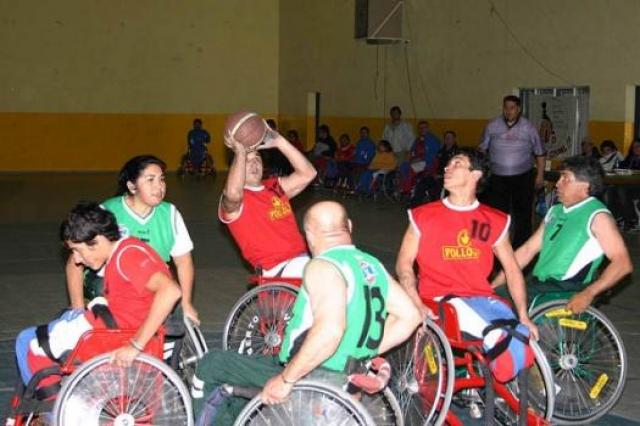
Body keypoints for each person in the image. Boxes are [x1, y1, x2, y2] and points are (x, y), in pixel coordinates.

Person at [192, 201, 422, 424]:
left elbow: (330, 330)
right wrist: (359, 353)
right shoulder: (371, 265)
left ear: (309, 235)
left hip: (315, 374)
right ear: (349, 226)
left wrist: (286, 379)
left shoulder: (324, 266)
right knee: (249, 374)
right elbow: (410, 316)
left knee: (212, 364)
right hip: (345, 371)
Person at [396, 148, 538, 383]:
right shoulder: (422, 215)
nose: (447, 169)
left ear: (476, 175)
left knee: (523, 332)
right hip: (442, 300)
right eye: (447, 165)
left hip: (483, 299)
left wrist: (524, 315)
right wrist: (416, 302)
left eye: (457, 164)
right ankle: (507, 376)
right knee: (501, 335)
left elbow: (512, 270)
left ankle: (533, 398)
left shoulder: (494, 219)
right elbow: (403, 265)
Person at [15, 203, 181, 387]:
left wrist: (136, 345)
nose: (76, 259)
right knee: (29, 337)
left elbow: (171, 291)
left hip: (116, 336)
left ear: (97, 241)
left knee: (33, 345)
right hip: (112, 327)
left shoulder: (128, 257)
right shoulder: (125, 249)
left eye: (78, 251)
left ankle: (53, 408)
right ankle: (53, 404)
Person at [492, 156, 633, 313]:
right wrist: (495, 285)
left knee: (494, 305)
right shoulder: (555, 211)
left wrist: (589, 293)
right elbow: (527, 251)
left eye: (565, 177)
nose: (558, 183)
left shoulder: (597, 216)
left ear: (584, 185)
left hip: (565, 287)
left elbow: (622, 263)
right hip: (541, 285)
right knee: (492, 297)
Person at [65, 155, 198, 322]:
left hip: (149, 286)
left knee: (165, 293)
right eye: (150, 180)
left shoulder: (170, 214)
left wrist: (186, 303)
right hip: (106, 286)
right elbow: (74, 260)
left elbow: (183, 261)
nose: (159, 186)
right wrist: (77, 307)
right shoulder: (107, 212)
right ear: (132, 186)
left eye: (162, 179)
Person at [220, 123, 316, 278]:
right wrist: (240, 152)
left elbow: (308, 174)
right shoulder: (236, 201)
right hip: (279, 269)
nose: (254, 163)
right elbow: (232, 193)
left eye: (257, 158)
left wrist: (280, 142)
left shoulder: (274, 186)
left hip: (302, 259)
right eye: (247, 160)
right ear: (237, 167)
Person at [479, 95, 546, 249]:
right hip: (497, 178)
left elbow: (540, 153)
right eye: (506, 107)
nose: (508, 111)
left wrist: (540, 175)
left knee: (522, 215)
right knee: (497, 214)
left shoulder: (529, 128)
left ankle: (521, 248)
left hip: (523, 177)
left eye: (512, 108)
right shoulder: (492, 126)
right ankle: (497, 247)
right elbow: (482, 149)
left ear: (518, 109)